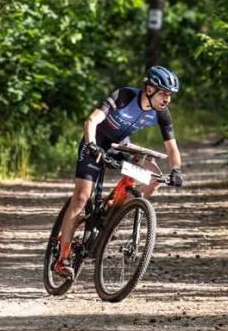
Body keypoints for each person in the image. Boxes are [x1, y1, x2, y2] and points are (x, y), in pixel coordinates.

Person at [54, 66, 184, 276]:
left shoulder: (162, 114)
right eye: (164, 93)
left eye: (170, 95)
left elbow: (172, 149)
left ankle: (114, 215)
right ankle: (63, 258)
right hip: (95, 143)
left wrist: (176, 170)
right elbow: (91, 121)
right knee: (81, 197)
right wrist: (92, 144)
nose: (167, 99)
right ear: (150, 89)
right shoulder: (124, 96)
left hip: (120, 147)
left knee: (153, 177)